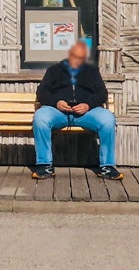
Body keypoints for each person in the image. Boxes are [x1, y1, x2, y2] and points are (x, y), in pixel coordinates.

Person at [32, 39, 122, 181]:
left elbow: (101, 94)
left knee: (107, 119)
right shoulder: (54, 70)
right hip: (59, 113)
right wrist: (57, 102)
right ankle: (44, 165)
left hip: (86, 114)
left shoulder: (91, 71)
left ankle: (107, 166)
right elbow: (42, 92)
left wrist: (88, 105)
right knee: (40, 117)